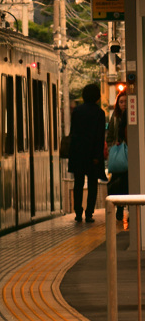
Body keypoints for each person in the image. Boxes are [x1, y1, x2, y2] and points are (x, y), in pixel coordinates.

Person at [68, 83, 106, 223]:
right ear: (97, 97)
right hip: (92, 154)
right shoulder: (99, 113)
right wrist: (97, 156)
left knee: (78, 183)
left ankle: (78, 212)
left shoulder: (77, 111)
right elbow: (99, 137)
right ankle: (89, 213)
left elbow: (73, 132)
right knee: (92, 184)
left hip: (77, 153)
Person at [106, 90, 129, 224]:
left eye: (126, 101)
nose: (124, 104)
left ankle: (129, 207)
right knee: (117, 182)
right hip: (119, 155)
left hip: (129, 156)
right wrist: (112, 147)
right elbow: (109, 136)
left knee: (127, 182)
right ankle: (119, 208)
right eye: (121, 102)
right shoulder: (114, 117)